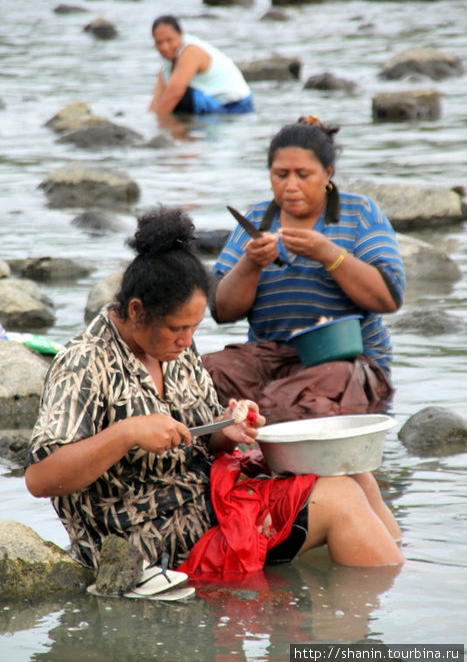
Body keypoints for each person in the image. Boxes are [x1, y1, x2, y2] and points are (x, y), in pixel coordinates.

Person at [25, 206, 403, 574]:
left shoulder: (176, 348)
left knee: (353, 474)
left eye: (194, 328)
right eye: (178, 329)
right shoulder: (84, 364)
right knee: (340, 501)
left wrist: (226, 429)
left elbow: (204, 442)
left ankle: (402, 580)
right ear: (137, 311)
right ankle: (386, 610)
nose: (187, 341)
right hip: (147, 538)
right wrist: (127, 433)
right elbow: (40, 479)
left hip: (206, 499)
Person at [202, 116, 406, 424]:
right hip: (270, 357)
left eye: (303, 174)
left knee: (306, 402)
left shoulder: (359, 212)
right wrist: (251, 264)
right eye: (281, 174)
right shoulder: (258, 218)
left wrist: (328, 254)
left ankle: (268, 426)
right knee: (202, 376)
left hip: (346, 361)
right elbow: (222, 311)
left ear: (327, 173)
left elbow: (389, 298)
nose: (291, 185)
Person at [148, 15, 254, 116]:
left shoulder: (190, 51)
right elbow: (157, 101)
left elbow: (174, 93)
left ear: (181, 34)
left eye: (169, 40)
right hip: (214, 105)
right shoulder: (167, 65)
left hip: (236, 107)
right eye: (159, 43)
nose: (165, 47)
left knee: (182, 97)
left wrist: (159, 124)